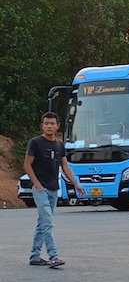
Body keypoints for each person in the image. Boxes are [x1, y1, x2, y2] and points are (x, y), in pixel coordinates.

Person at [24, 112, 84, 267]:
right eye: (46, 123)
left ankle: (35, 256)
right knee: (48, 223)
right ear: (42, 125)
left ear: (58, 126)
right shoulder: (35, 143)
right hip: (40, 189)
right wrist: (37, 184)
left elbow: (64, 165)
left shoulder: (59, 145)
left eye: (52, 123)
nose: (49, 126)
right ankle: (53, 255)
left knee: (43, 223)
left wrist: (75, 183)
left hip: (53, 189)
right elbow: (27, 165)